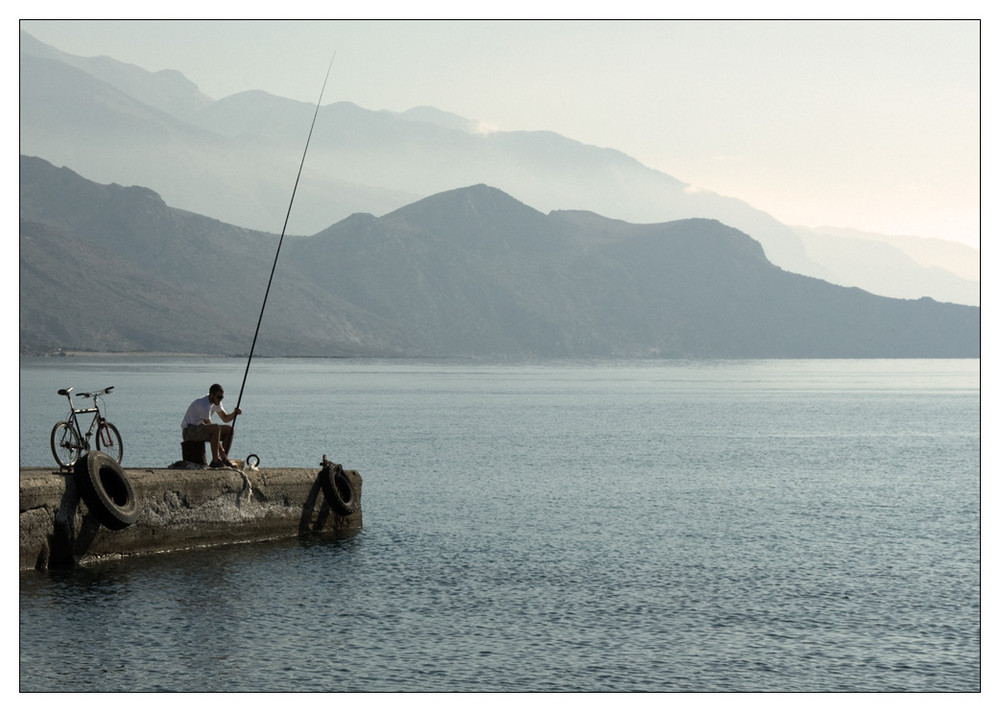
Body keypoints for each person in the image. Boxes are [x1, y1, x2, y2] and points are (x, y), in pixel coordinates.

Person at [181, 384, 243, 468]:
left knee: (229, 429)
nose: (220, 400)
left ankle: (223, 460)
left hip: (201, 429)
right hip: (189, 431)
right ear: (211, 395)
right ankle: (215, 461)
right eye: (218, 397)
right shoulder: (204, 404)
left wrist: (235, 413)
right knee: (216, 428)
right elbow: (212, 427)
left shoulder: (217, 403)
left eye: (221, 397)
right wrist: (221, 450)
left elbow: (225, 418)